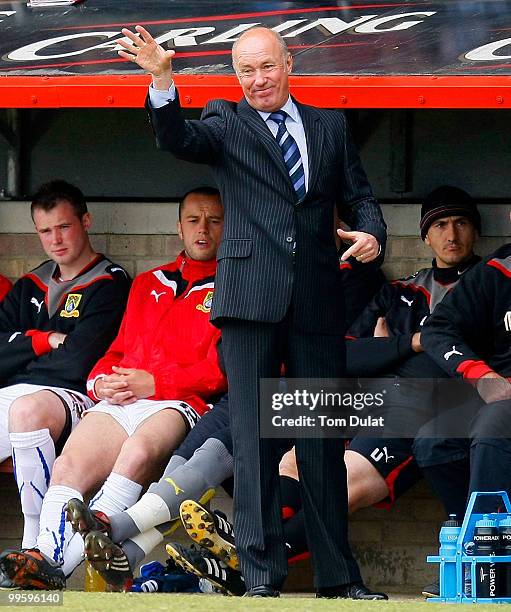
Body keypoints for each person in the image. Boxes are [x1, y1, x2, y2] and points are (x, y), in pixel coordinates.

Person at [116, 23, 386, 599]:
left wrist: (371, 234)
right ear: (235, 76)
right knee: (254, 439)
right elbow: (176, 140)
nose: (257, 80)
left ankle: (340, 580)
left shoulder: (329, 125)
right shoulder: (226, 120)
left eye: (266, 67)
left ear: (288, 64)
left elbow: (360, 195)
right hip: (248, 302)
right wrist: (163, 80)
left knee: (319, 444)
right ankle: (262, 578)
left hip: (316, 303)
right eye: (246, 71)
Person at [0, 187, 227, 590]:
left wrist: (158, 382)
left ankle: (55, 569)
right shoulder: (147, 282)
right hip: (122, 395)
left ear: (229, 227)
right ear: (178, 228)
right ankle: (44, 562)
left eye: (214, 220)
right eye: (193, 220)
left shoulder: (237, 285)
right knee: (69, 468)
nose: (203, 229)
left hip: (178, 400)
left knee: (136, 454)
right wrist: (99, 380)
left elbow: (223, 371)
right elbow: (116, 350)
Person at [0, 180, 130, 565]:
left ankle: (35, 545)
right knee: (21, 404)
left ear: (85, 221)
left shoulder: (110, 282)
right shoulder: (29, 286)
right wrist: (42, 341)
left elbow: (78, 362)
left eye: (64, 226)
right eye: (45, 230)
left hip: (75, 400)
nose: (55, 239)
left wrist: (18, 350)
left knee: (27, 409)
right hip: (15, 394)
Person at [416, 211, 511, 517]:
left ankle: (489, 549)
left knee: (491, 426)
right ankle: (473, 538)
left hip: (499, 417)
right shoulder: (498, 270)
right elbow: (437, 329)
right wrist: (482, 376)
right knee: (434, 440)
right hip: (505, 394)